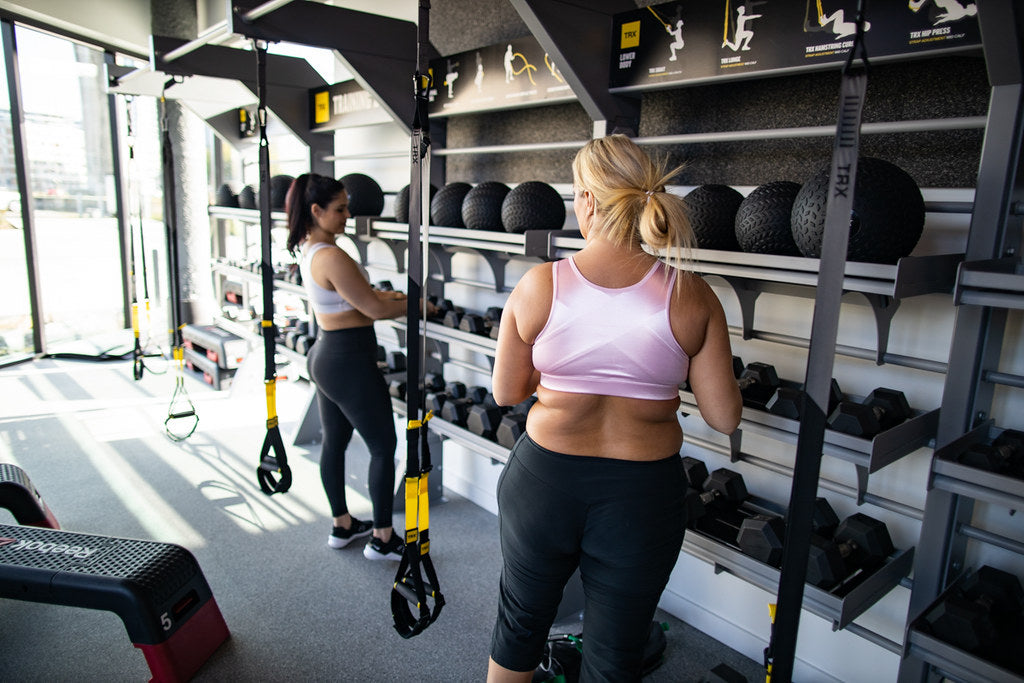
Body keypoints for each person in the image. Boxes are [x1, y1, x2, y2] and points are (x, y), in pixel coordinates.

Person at [487, 135, 742, 681]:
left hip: (544, 481)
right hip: (641, 494)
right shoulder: (691, 294)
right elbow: (725, 416)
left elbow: (506, 392)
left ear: (586, 200)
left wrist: (562, 371)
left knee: (520, 626)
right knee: (616, 652)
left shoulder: (539, 285)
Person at [285, 172, 413, 561]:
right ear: (316, 211)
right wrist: (415, 303)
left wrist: (384, 295)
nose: (347, 216)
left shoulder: (310, 250)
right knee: (383, 445)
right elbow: (372, 308)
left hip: (328, 356)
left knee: (335, 443)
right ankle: (382, 538)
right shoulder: (332, 255)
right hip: (349, 361)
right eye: (340, 209)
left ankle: (342, 525)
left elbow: (360, 297)